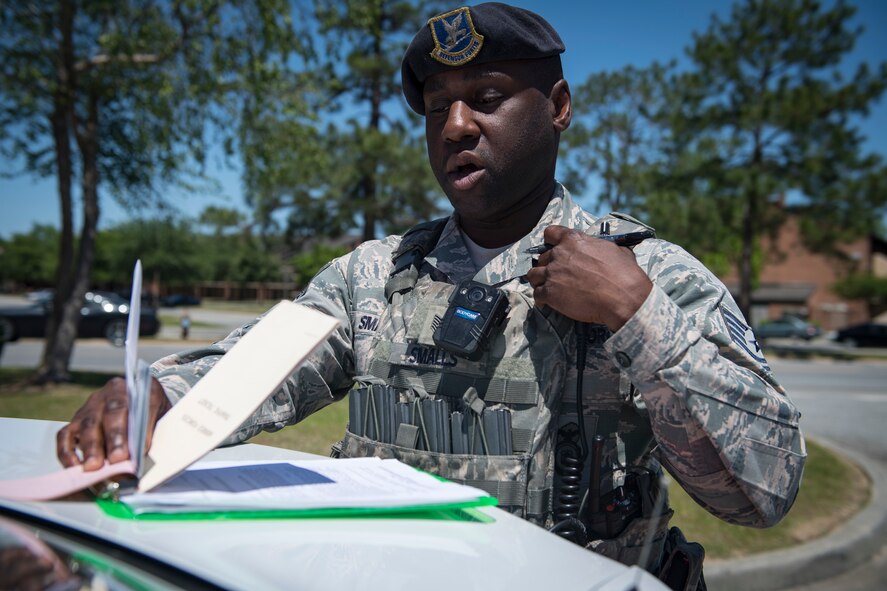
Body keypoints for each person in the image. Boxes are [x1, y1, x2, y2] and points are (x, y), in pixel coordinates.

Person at [56, 3, 805, 587]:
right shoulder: (373, 275)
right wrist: (156, 397)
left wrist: (636, 315)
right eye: (435, 106)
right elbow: (249, 371)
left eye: (486, 96)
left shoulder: (650, 274)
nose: (454, 126)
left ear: (558, 107)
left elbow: (761, 493)